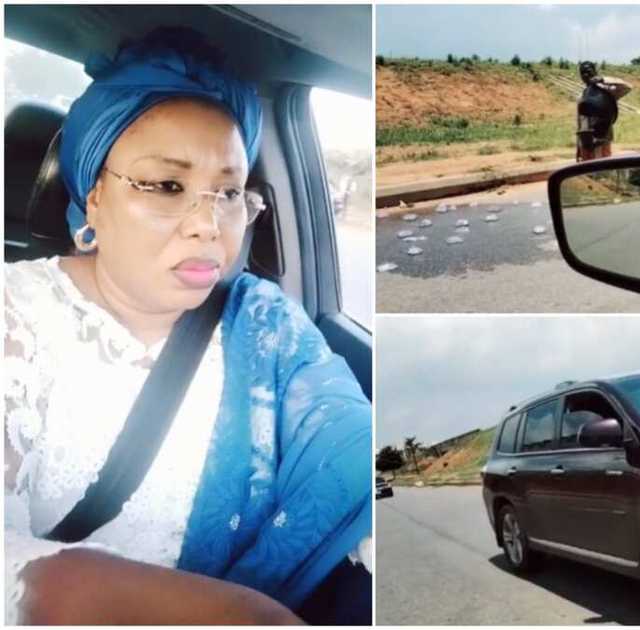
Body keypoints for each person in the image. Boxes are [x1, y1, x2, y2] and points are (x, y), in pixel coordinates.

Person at [4, 28, 371, 624]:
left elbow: (352, 460)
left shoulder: (266, 321)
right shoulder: (15, 317)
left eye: (228, 192)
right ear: (94, 195)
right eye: (167, 185)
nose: (209, 224)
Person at [575, 61, 632, 161]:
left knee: (604, 170)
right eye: (583, 72)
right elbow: (580, 123)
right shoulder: (581, 97)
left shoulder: (607, 91)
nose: (586, 75)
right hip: (586, 143)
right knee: (588, 173)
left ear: (595, 72)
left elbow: (627, 87)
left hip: (603, 140)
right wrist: (578, 148)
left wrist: (603, 79)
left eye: (589, 71)